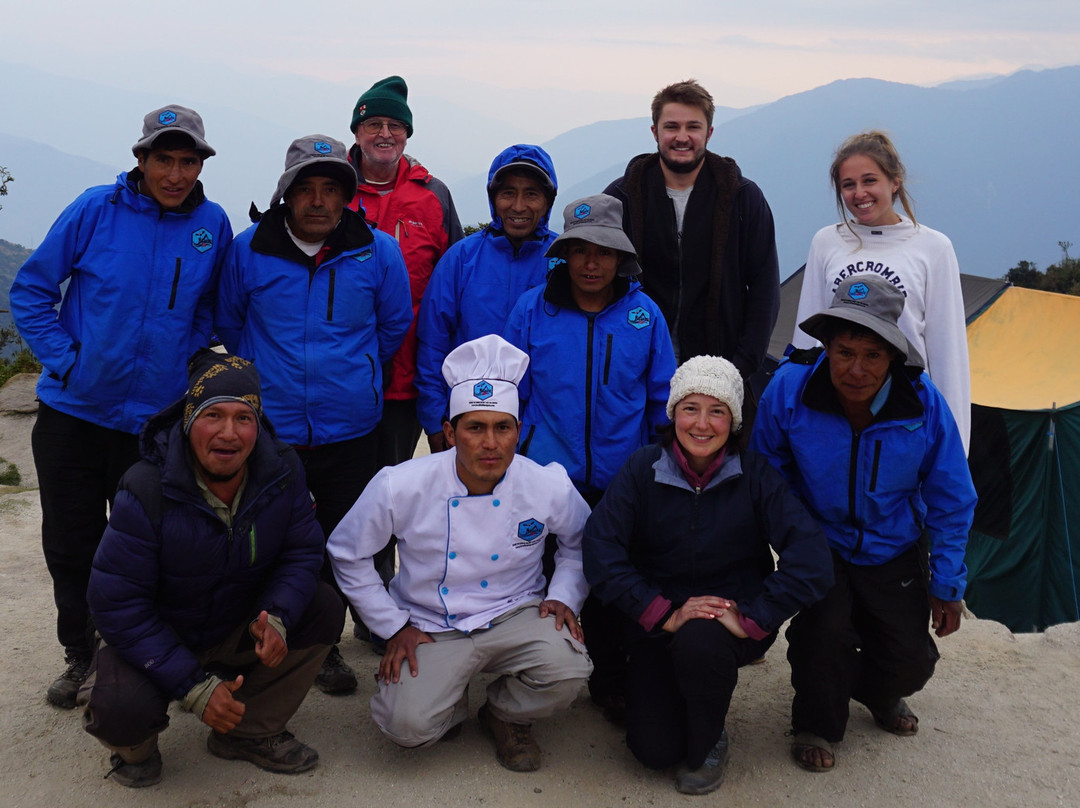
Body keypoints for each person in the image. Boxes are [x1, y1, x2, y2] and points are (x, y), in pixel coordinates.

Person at [9, 104, 232, 708]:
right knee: (72, 542)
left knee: (150, 544)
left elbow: (212, 307)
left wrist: (184, 363)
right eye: (165, 159)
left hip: (154, 422)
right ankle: (81, 653)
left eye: (188, 161)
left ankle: (143, 651)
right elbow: (30, 289)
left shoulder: (212, 223)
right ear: (141, 159)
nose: (176, 173)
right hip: (74, 417)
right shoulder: (93, 209)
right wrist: (68, 360)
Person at [327, 335, 593, 773]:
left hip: (515, 613)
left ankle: (505, 714)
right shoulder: (401, 484)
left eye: (502, 427)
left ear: (518, 431)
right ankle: (449, 701)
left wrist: (564, 595)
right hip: (431, 622)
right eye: (475, 427)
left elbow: (581, 541)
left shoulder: (545, 483)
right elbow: (346, 552)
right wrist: (393, 626)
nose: (490, 443)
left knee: (569, 672)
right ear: (450, 433)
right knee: (407, 728)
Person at [81, 351, 344, 787]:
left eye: (244, 418)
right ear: (187, 420)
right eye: (213, 415)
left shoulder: (282, 471)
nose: (229, 433)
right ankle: (136, 748)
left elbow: (301, 553)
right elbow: (116, 603)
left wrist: (276, 617)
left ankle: (246, 732)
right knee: (119, 709)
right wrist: (193, 685)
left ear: (258, 425)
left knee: (322, 606)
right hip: (161, 634)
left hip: (233, 623)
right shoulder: (145, 488)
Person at [750, 274, 976, 773]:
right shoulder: (790, 388)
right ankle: (816, 723)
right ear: (827, 346)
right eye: (845, 351)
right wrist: (796, 537)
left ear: (893, 356)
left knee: (909, 656)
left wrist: (948, 580)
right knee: (823, 635)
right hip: (818, 540)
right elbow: (769, 469)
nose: (856, 369)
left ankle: (879, 692)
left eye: (872, 355)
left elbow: (952, 496)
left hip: (894, 541)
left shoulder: (923, 404)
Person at [215, 134, 412, 695]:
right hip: (271, 431)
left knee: (346, 538)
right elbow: (230, 324)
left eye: (331, 189)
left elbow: (393, 325)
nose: (319, 201)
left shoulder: (378, 251)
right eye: (307, 189)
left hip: (351, 428)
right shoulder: (249, 249)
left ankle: (327, 644)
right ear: (286, 194)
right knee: (272, 541)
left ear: (348, 195)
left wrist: (355, 376)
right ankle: (270, 638)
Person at [583, 355, 832, 795]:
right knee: (653, 751)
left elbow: (811, 557)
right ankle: (676, 701)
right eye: (690, 408)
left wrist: (753, 615)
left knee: (701, 642)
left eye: (717, 411)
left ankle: (710, 736)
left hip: (726, 623)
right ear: (673, 413)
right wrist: (662, 612)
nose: (702, 424)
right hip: (657, 620)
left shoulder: (756, 477)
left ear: (733, 421)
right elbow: (601, 551)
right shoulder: (643, 470)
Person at [502, 193, 676, 721]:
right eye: (579, 251)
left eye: (603, 251)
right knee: (538, 573)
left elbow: (661, 398)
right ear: (564, 255)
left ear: (621, 256)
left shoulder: (645, 315)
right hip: (547, 475)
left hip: (623, 475)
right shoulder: (533, 309)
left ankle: (611, 679)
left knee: (614, 579)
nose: (592, 263)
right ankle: (531, 675)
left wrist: (653, 466)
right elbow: (511, 392)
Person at [791, 130, 971, 451]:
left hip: (909, 417)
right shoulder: (826, 242)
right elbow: (807, 346)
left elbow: (948, 356)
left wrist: (955, 449)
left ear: (895, 182)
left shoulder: (933, 248)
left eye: (870, 180)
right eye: (848, 185)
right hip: (835, 415)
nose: (860, 193)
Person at [604, 79, 779, 394]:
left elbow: (765, 289)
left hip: (722, 372)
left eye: (693, 127)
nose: (682, 137)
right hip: (634, 371)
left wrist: (740, 367)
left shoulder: (743, 198)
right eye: (671, 126)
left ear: (709, 133)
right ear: (655, 132)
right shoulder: (622, 198)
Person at [347, 75, 464, 468]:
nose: (385, 134)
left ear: (407, 134)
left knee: (396, 485)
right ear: (357, 132)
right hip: (342, 376)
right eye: (373, 125)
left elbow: (454, 283)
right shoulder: (329, 190)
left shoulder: (433, 195)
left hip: (409, 377)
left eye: (395, 126)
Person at [416, 144, 559, 450]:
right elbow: (432, 343)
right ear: (493, 198)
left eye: (531, 194)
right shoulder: (462, 259)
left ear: (548, 201)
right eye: (508, 193)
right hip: (471, 424)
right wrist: (434, 419)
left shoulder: (562, 261)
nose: (518, 206)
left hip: (543, 430)